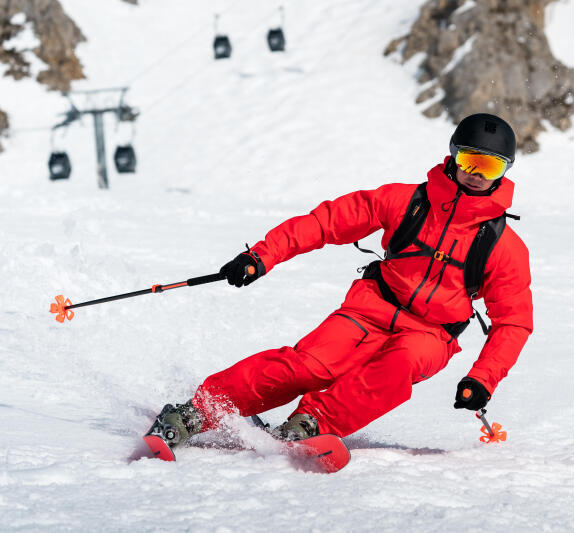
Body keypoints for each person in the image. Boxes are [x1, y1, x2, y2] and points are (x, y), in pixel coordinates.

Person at [150, 113, 533, 446]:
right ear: (453, 155)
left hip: (430, 334)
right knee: (309, 366)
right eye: (469, 160)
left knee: (399, 365)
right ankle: (196, 413)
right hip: (368, 309)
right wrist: (261, 257)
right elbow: (328, 221)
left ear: (505, 172)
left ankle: (313, 424)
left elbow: (513, 321)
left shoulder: (502, 246)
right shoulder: (405, 202)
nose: (476, 174)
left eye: (490, 166)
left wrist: (482, 378)